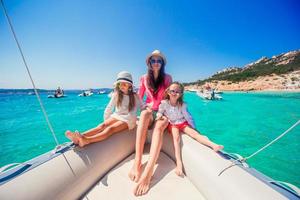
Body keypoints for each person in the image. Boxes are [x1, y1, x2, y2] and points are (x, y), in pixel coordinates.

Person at [128, 50, 172, 196]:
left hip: (163, 111)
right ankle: (137, 161)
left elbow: (169, 98)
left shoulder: (167, 78)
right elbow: (139, 97)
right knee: (145, 113)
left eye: (159, 61)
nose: (156, 63)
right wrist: (135, 110)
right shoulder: (143, 78)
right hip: (150, 110)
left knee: (159, 126)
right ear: (149, 63)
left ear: (162, 63)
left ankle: (148, 171)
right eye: (153, 60)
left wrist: (165, 112)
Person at [156, 82, 224, 176]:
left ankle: (213, 145)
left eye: (178, 91)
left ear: (181, 94)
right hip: (172, 124)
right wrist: (159, 116)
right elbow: (160, 111)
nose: (175, 93)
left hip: (182, 122)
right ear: (168, 92)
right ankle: (179, 163)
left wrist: (193, 127)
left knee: (195, 134)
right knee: (176, 139)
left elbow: (187, 117)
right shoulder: (164, 103)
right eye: (173, 91)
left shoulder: (182, 105)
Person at [65, 71, 140, 147]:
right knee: (102, 126)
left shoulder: (135, 96)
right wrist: (106, 121)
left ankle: (87, 140)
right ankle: (79, 137)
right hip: (117, 116)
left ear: (130, 85)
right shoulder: (117, 95)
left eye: (124, 83)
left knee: (110, 129)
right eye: (119, 83)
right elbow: (109, 108)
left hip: (128, 119)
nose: (121, 85)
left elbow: (142, 105)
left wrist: (148, 110)